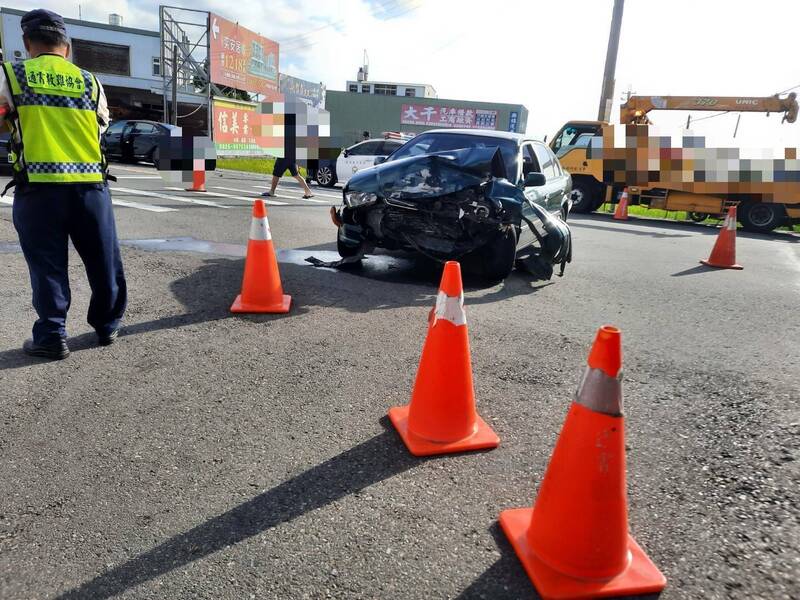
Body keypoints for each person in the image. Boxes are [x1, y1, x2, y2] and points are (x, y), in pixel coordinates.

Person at [1, 9, 126, 360]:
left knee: (47, 264)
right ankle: (107, 326)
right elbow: (101, 127)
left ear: (27, 44)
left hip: (40, 188)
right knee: (103, 260)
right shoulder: (90, 81)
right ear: (66, 47)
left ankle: (53, 335)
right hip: (90, 187)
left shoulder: (12, 75)